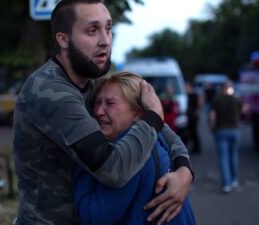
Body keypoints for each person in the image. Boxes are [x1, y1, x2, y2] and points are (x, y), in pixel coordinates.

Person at [12, 1, 194, 224]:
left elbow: (161, 129)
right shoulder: (51, 91)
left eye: (108, 29)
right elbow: (113, 170)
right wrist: (153, 116)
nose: (105, 41)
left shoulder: (94, 82)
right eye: (92, 30)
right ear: (63, 39)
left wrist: (184, 172)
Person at [73, 72, 196, 225]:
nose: (98, 111)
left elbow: (91, 215)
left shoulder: (132, 153)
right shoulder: (155, 138)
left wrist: (83, 158)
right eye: (97, 102)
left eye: (110, 103)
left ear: (137, 114)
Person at [209, 81, 243, 193]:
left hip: (221, 130)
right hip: (234, 130)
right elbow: (243, 110)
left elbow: (212, 115)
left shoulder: (217, 99)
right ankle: (234, 180)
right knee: (233, 156)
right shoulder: (235, 98)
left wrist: (212, 127)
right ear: (230, 88)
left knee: (223, 158)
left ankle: (226, 184)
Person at [185, 82, 203, 154]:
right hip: (189, 115)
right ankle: (194, 147)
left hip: (193, 116)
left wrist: (197, 111)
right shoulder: (186, 95)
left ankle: (197, 148)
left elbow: (199, 104)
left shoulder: (194, 95)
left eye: (187, 86)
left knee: (194, 132)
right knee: (191, 132)